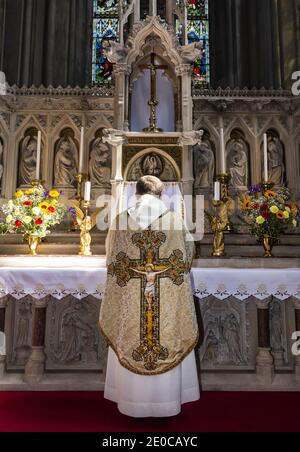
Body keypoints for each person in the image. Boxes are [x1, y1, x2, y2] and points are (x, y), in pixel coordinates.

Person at [100, 175, 200, 417]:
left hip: (132, 304)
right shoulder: (175, 221)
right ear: (160, 194)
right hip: (164, 300)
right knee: (168, 334)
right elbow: (186, 257)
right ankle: (166, 403)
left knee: (131, 333)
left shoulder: (120, 221)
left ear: (136, 192)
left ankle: (131, 401)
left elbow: (111, 259)